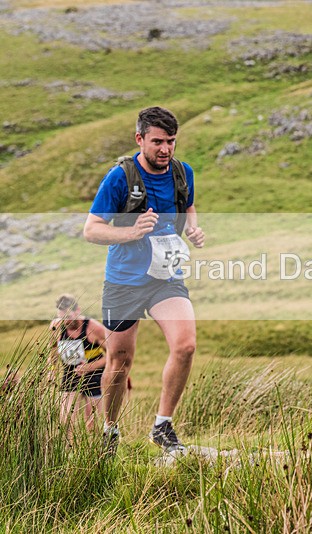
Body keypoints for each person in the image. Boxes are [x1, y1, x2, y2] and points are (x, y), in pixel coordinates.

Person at [84, 106, 205, 456]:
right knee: (120, 359)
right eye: (157, 142)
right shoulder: (119, 178)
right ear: (140, 139)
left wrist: (193, 228)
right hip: (123, 281)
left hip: (165, 278)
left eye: (171, 142)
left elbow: (190, 206)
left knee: (185, 346)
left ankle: (162, 426)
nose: (165, 149)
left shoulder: (183, 173)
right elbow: (91, 230)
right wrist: (130, 231)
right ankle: (109, 429)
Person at [49, 294, 107, 441]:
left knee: (92, 422)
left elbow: (113, 356)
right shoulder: (56, 327)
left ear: (78, 310)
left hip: (94, 375)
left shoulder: (94, 328)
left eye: (69, 317)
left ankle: (93, 453)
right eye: (63, 318)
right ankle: (68, 452)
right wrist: (52, 371)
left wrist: (89, 367)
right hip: (70, 374)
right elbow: (53, 352)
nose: (67, 322)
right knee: (66, 418)